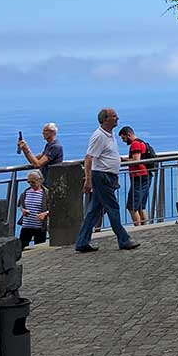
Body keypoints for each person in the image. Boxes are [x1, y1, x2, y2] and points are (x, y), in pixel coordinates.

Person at [75, 108, 140, 253]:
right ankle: (124, 239)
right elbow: (89, 158)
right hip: (102, 175)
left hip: (107, 175)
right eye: (114, 116)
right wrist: (88, 179)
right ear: (105, 119)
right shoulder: (99, 136)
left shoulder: (109, 135)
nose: (117, 118)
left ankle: (82, 241)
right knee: (113, 207)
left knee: (94, 210)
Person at [120, 125, 153, 227]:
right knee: (141, 206)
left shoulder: (135, 144)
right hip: (145, 175)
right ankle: (144, 227)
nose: (123, 141)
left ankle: (138, 229)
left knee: (132, 206)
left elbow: (136, 160)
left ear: (128, 135)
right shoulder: (141, 142)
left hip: (139, 176)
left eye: (123, 138)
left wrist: (124, 160)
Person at [17, 170, 50, 248]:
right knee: (21, 246)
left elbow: (53, 208)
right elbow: (21, 204)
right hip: (26, 225)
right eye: (29, 182)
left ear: (40, 180)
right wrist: (23, 210)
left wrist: (45, 213)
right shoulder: (26, 193)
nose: (31, 184)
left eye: (33, 182)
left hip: (39, 226)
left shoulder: (46, 194)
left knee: (39, 247)